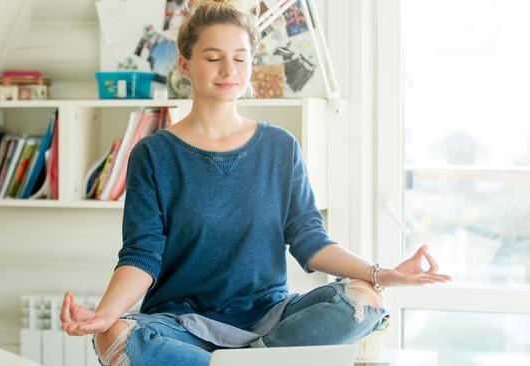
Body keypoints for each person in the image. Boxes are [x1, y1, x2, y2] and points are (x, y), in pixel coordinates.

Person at [60, 1, 452, 365]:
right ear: (185, 64)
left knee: (363, 301)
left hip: (271, 319)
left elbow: (310, 240)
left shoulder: (280, 146)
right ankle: (262, 363)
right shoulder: (154, 154)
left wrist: (381, 273)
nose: (229, 71)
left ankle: (249, 358)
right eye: (213, 58)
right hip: (182, 325)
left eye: (240, 58)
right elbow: (142, 255)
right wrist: (104, 314)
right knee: (114, 337)